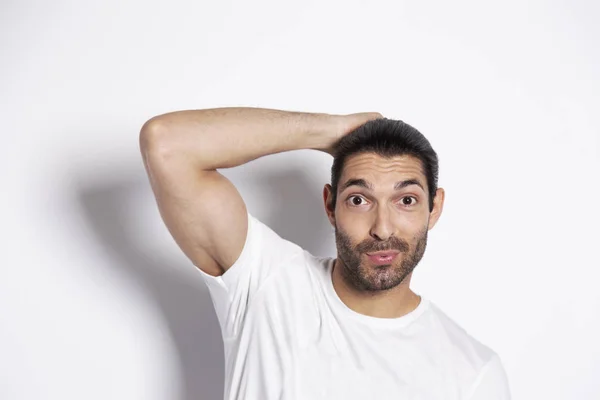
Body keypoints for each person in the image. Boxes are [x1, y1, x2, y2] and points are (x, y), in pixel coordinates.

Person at [139, 107, 511, 400]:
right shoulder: (266, 283)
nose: (383, 227)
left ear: (434, 208)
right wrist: (331, 131)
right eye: (359, 199)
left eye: (406, 200)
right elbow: (166, 142)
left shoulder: (473, 372)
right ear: (330, 205)